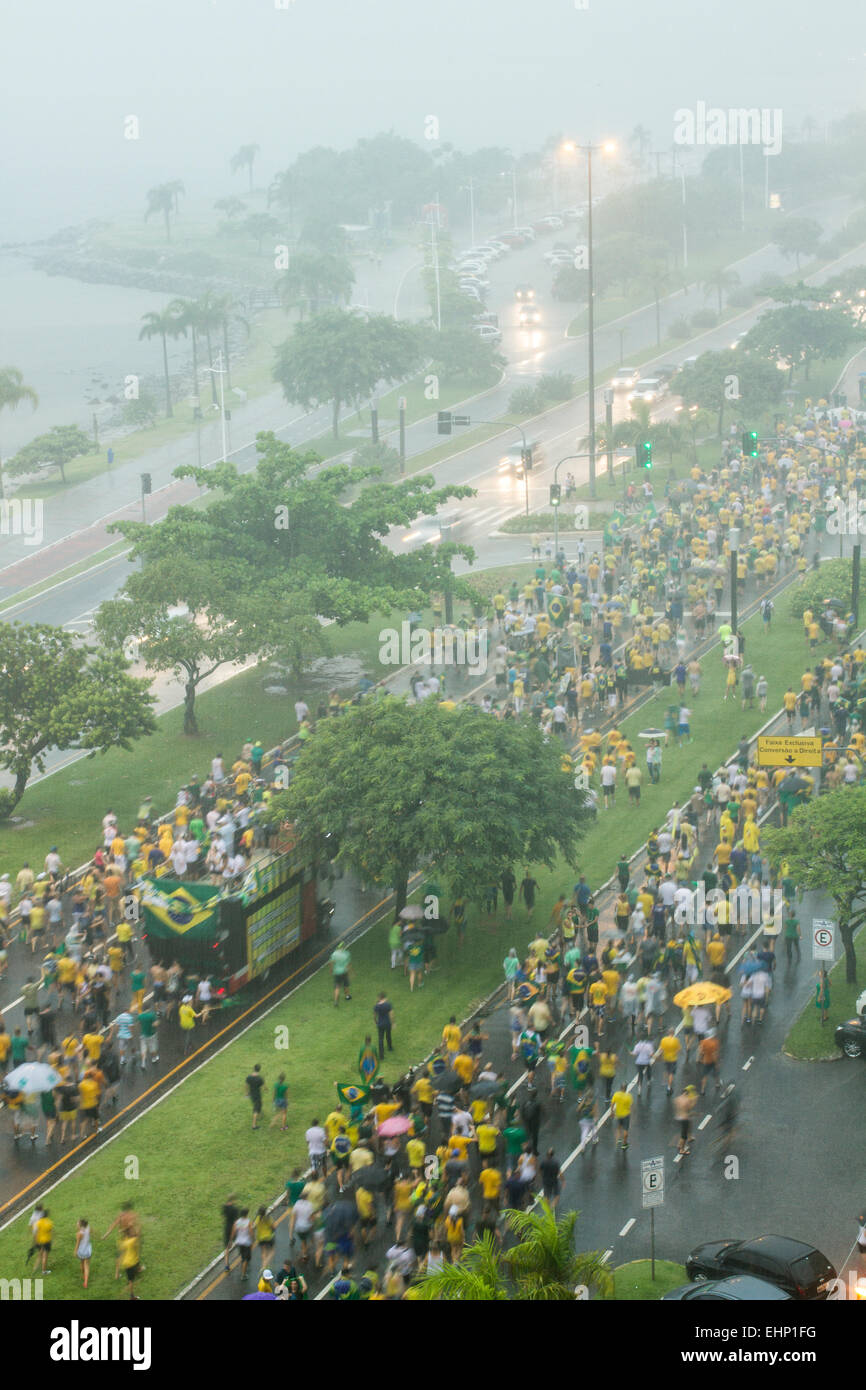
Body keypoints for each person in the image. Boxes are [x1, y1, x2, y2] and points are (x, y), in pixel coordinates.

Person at [675, 1085, 698, 1156]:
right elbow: (689, 1108)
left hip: (678, 1117)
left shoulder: (677, 1099)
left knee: (683, 1132)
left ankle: (679, 1145)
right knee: (684, 1136)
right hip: (685, 1119)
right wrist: (694, 1100)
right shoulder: (687, 1100)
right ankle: (682, 1150)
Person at [610, 1085, 633, 1150]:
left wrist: (612, 1112)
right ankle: (624, 1144)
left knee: (619, 1127)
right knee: (625, 1129)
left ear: (620, 1088)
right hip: (626, 1115)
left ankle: (618, 1140)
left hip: (618, 1114)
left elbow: (612, 1103)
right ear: (626, 1089)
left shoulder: (616, 1094)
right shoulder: (628, 1096)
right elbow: (630, 1106)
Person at [331, 941, 352, 1006]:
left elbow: (331, 962)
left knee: (337, 987)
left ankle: (336, 1001)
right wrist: (350, 972)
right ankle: (347, 996)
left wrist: (331, 969)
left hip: (337, 972)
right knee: (345, 984)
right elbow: (348, 964)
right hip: (344, 971)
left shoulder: (334, 954)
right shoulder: (347, 953)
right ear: (344, 947)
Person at [373, 992, 393, 1060]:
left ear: (379, 998)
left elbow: (375, 1015)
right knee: (388, 1035)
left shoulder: (376, 1006)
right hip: (387, 1023)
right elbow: (391, 1014)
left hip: (380, 1024)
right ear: (384, 998)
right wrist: (392, 1022)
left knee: (380, 1039)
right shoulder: (388, 1005)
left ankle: (381, 1055)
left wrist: (375, 1021)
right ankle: (390, 1047)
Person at [74, 1218, 93, 1289]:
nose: (76, 1225)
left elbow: (77, 1244)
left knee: (82, 1264)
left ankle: (84, 1275)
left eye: (77, 1224)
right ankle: (86, 1282)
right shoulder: (88, 1228)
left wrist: (75, 1252)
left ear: (80, 1225)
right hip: (88, 1250)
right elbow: (92, 1231)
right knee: (87, 1265)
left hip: (81, 1251)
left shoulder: (79, 1234)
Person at [245, 1063, 265, 1130]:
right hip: (257, 1095)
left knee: (258, 1105)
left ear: (254, 1068)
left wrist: (247, 1093)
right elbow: (263, 1087)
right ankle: (254, 1125)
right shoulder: (259, 1078)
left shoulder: (249, 1077)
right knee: (256, 1109)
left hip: (252, 1094)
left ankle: (259, 1115)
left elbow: (246, 1085)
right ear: (259, 1070)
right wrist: (266, 1089)